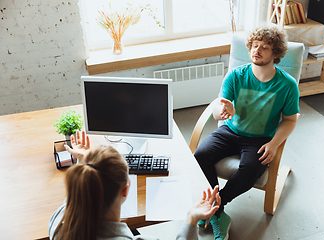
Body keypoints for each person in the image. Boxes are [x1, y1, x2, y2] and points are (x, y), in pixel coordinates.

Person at [194, 25, 300, 240]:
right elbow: (217, 110)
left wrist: (274, 144)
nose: (256, 50)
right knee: (199, 156)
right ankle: (218, 212)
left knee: (251, 168)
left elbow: (290, 120)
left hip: (260, 139)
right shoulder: (236, 76)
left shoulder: (287, 85)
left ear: (276, 53)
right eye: (254, 45)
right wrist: (223, 110)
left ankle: (216, 205)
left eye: (265, 47)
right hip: (230, 131)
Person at [49, 130, 221, 240]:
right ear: (125, 190)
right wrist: (191, 219)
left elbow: (76, 195)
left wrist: (83, 162)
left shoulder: (57, 222)